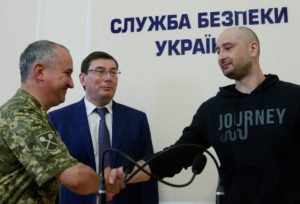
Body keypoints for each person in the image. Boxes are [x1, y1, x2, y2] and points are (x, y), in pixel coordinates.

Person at [123, 26, 300, 204]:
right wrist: (124, 174)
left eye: (228, 48)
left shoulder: (293, 98)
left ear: (252, 48)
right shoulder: (212, 109)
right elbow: (177, 155)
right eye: (217, 50)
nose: (221, 56)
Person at [0, 40, 124, 203]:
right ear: (40, 72)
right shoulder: (21, 115)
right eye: (67, 73)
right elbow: (74, 177)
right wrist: (104, 183)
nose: (71, 84)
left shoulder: (34, 114)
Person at [48, 51, 159, 204]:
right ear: (83, 79)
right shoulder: (58, 119)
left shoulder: (136, 119)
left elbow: (148, 173)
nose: (108, 78)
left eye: (113, 72)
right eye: (100, 71)